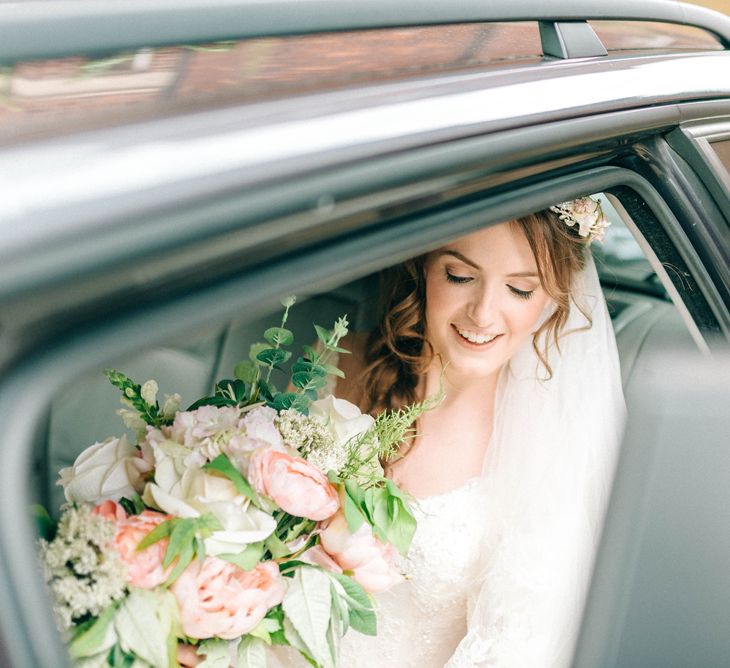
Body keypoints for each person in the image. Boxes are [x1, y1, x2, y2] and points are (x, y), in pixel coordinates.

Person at [271, 197, 626, 667]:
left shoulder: (549, 451)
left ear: (552, 297)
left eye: (520, 290)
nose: (483, 314)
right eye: (460, 277)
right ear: (422, 269)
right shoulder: (331, 364)